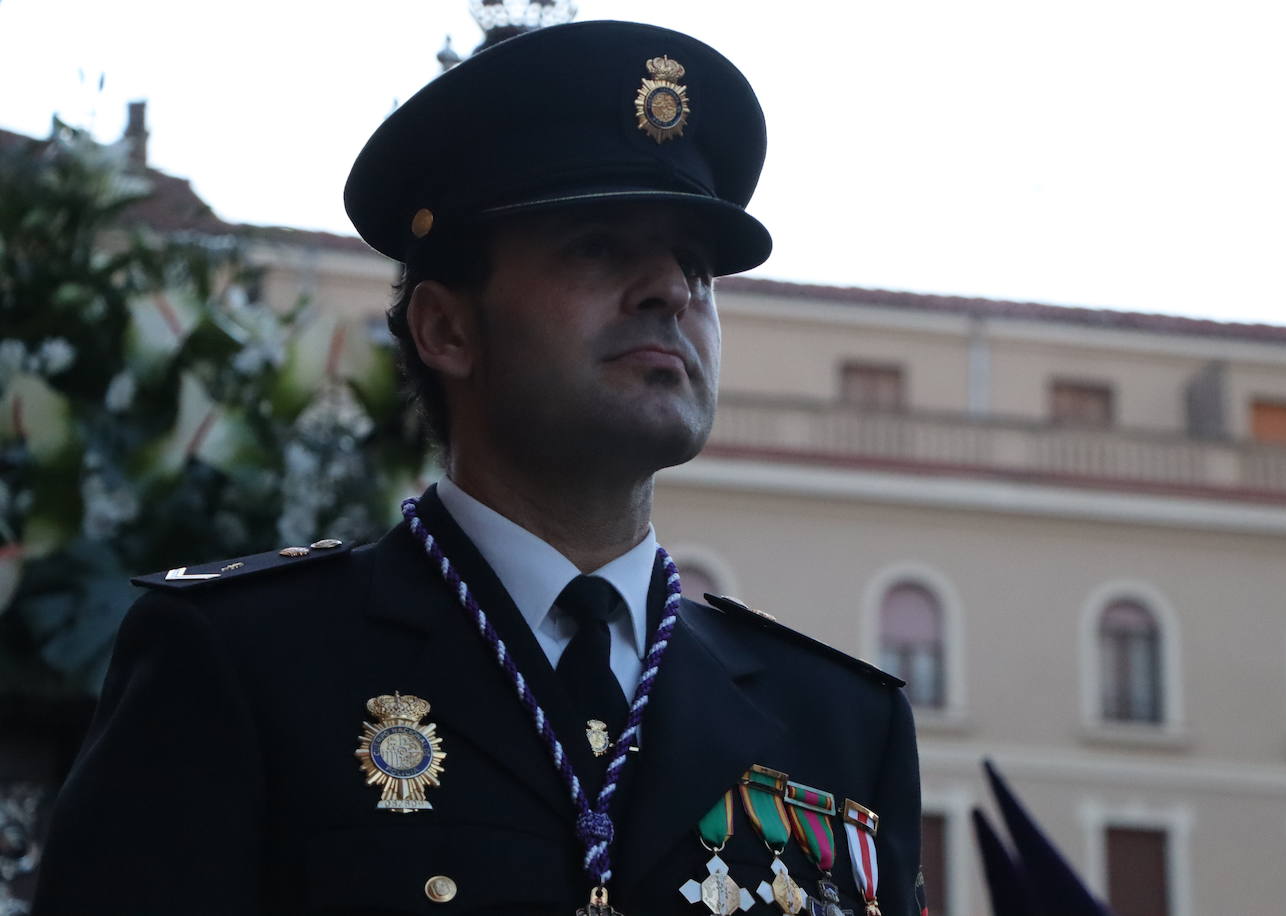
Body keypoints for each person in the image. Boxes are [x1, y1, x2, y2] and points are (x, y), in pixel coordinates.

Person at [33, 20, 923, 916]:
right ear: (446, 329)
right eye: (600, 245)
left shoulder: (839, 726)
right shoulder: (245, 664)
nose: (672, 291)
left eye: (695, 265)